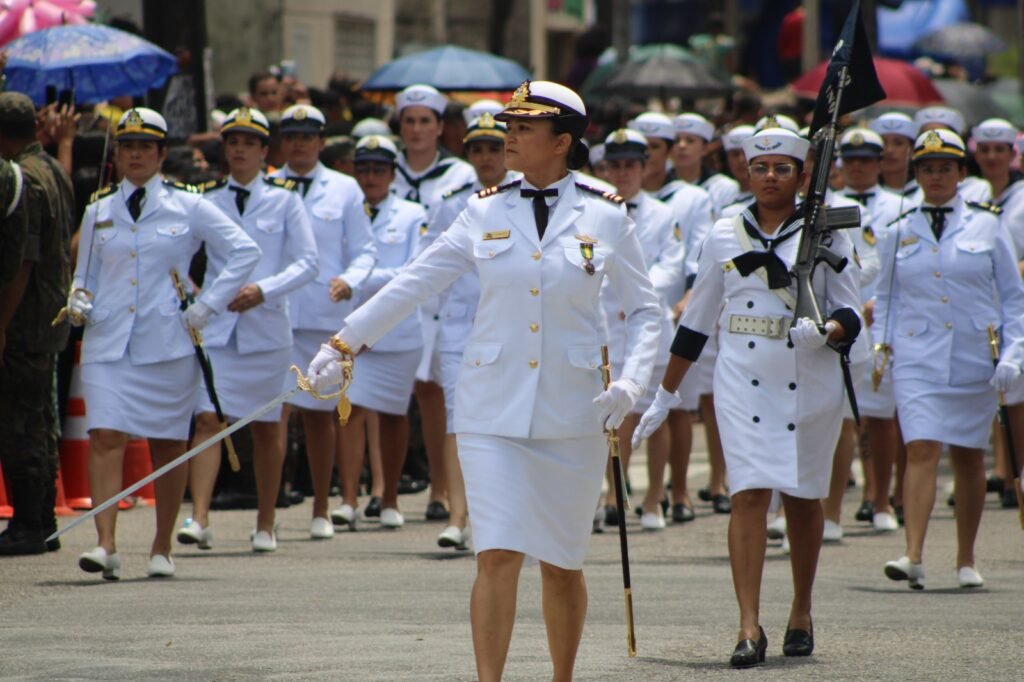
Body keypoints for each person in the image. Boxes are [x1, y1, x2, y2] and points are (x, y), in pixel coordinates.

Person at [306, 80, 661, 682]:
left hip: (575, 410)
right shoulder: (484, 208)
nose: (509, 136)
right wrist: (345, 343)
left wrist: (632, 384)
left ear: (563, 141)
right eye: (509, 126)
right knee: (495, 553)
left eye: (524, 128)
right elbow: (416, 281)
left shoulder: (606, 213)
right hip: (491, 406)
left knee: (561, 563)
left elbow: (647, 311)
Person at [634, 128, 862, 666]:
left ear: (803, 175)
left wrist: (827, 330)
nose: (770, 177)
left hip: (809, 375)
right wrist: (665, 394)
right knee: (749, 495)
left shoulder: (828, 230)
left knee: (806, 497)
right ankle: (747, 625)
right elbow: (694, 324)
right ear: (746, 172)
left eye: (783, 168)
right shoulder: (722, 232)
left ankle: (801, 610)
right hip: (742, 376)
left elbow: (851, 311)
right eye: (760, 167)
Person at [68, 107, 260, 579]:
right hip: (109, 339)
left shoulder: (187, 204)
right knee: (105, 435)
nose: (135, 155)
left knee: (168, 444)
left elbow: (243, 251)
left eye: (145, 147)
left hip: (168, 340)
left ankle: (161, 544)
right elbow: (85, 275)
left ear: (160, 154)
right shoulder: (99, 209)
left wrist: (208, 305)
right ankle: (105, 543)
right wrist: (77, 298)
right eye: (128, 146)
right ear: (118, 153)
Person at [875, 129, 1024, 590]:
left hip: (974, 354)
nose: (935, 177)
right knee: (920, 446)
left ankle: (965, 558)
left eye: (945, 168)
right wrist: (879, 349)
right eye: (926, 168)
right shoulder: (897, 228)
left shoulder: (988, 223)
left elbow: (1013, 297)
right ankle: (913, 552)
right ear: (914, 174)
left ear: (962, 173)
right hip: (917, 354)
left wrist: (1015, 352)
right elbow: (887, 297)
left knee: (966, 457)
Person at [178, 107, 318, 552]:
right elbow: (181, 252)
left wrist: (265, 289)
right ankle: (199, 516)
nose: (238, 149)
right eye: (232, 141)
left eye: (248, 142)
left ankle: (266, 520)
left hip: (266, 328)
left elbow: (308, 263)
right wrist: (199, 296)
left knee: (267, 427)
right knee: (206, 419)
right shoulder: (205, 198)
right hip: (218, 329)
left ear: (264, 150)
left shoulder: (285, 198)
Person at [271, 104, 376, 541]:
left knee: (318, 415)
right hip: (274, 314)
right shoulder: (268, 184)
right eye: (291, 134)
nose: (298, 142)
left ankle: (320, 506)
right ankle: (268, 509)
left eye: (307, 135)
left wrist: (349, 282)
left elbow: (366, 251)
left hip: (322, 313)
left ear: (320, 141)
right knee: (272, 416)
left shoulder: (345, 188)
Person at [629, 111, 725, 521]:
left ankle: (680, 490)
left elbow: (697, 254)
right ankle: (626, 491)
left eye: (656, 148)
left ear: (667, 152)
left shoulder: (690, 198)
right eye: (643, 149)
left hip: (671, 309)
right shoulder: (618, 195)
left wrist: (688, 296)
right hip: (625, 313)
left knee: (678, 405)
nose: (650, 156)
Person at [427, 113, 517, 550]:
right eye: (477, 149)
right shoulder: (452, 200)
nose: (485, 157)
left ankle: (504, 517)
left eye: (494, 147)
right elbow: (434, 265)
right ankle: (457, 517)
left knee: (507, 420)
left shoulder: (524, 195)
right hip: (461, 324)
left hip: (511, 324)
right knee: (457, 419)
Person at [331, 135, 427, 530]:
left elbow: (413, 269)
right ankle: (349, 498)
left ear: (392, 173)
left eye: (379, 169)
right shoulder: (343, 210)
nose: (371, 177)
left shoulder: (412, 212)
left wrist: (358, 281)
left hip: (398, 330)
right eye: (364, 168)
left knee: (393, 414)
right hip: (351, 327)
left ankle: (389, 497)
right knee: (349, 410)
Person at [391, 84, 476, 521]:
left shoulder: (462, 175)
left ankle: (440, 489)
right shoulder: (387, 169)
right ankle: (400, 486)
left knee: (439, 391)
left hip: (446, 299)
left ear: (441, 127)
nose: (418, 129)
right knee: (406, 393)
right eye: (410, 121)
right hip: (402, 291)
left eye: (426, 120)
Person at [599, 128, 685, 531]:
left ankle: (654, 498)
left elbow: (673, 266)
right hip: (606, 327)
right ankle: (614, 494)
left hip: (648, 325)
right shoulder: (595, 210)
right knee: (613, 416)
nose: (622, 174)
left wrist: (637, 295)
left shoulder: (663, 213)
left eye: (629, 165)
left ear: (643, 167)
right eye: (614, 166)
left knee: (654, 413)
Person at [0, 93, 73, 556]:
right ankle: (42, 519)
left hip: (25, 318)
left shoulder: (24, 177)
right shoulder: (52, 167)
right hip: (49, 312)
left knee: (19, 422)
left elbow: (22, 260)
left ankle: (29, 522)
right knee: (42, 420)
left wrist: (1, 324)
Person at [833, 127, 905, 534]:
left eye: (866, 159)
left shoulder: (899, 204)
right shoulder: (829, 206)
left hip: (883, 316)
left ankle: (881, 499)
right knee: (843, 415)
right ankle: (837, 505)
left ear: (880, 163)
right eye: (851, 159)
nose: (858, 166)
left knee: (879, 415)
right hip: (841, 317)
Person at [975, 119, 1024, 508]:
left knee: (1016, 392)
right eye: (985, 150)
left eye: (1000, 150)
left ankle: (1014, 474)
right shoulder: (968, 194)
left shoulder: (1022, 198)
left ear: (1012, 154)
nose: (992, 157)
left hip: (1016, 299)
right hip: (977, 303)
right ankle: (996, 468)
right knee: (988, 390)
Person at [914, 106, 991, 202]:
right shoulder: (911, 191)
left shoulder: (978, 188)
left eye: (943, 134)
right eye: (928, 135)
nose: (935, 141)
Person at [870, 112, 919, 200]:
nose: (889, 150)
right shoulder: (865, 194)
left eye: (898, 143)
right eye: (883, 142)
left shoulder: (924, 194)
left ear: (912, 149)